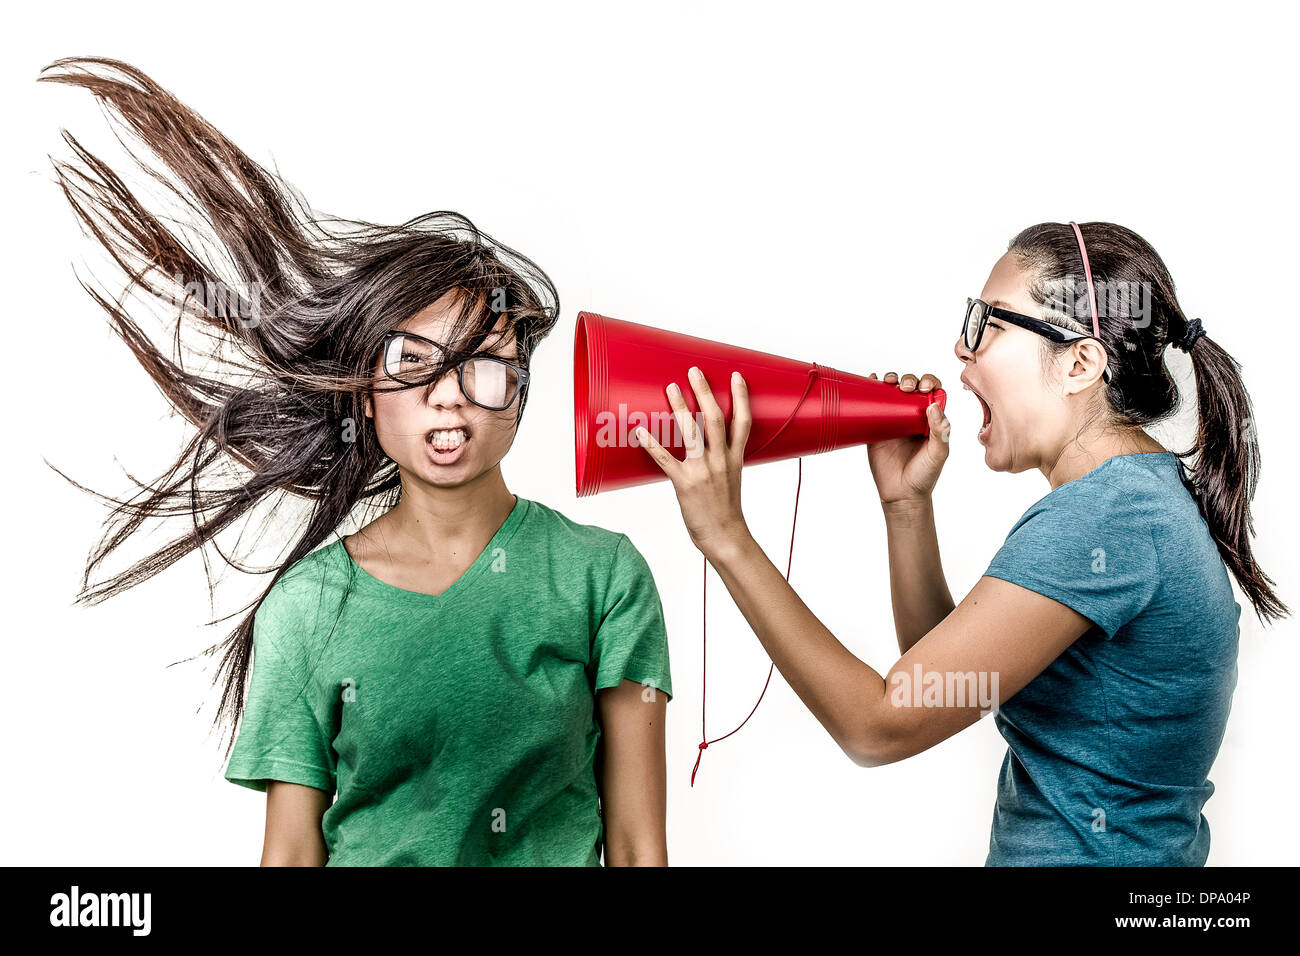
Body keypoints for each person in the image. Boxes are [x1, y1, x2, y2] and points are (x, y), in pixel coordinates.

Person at [43, 56, 672, 866]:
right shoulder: (306, 608)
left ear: (519, 392)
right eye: (414, 364)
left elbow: (637, 845)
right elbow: (292, 855)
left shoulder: (603, 577)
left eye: (482, 366)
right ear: (366, 396)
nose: (449, 397)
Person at [634, 220, 1286, 865]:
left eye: (990, 325)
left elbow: (881, 725)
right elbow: (946, 681)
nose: (960, 348)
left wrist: (726, 538)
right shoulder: (1140, 499)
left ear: (1080, 362)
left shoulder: (1103, 521)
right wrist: (906, 506)